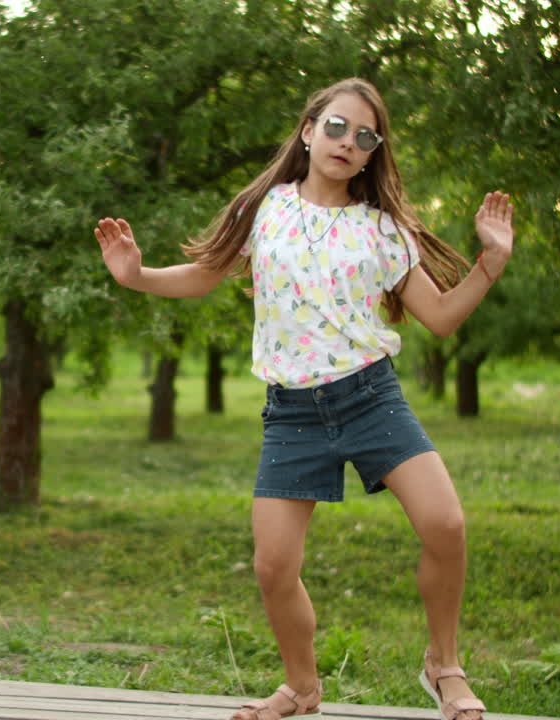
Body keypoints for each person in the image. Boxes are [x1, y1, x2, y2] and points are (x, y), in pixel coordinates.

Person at [93, 77, 511, 720]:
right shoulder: (264, 209)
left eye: (365, 136)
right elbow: (205, 274)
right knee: (272, 567)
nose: (348, 142)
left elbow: (443, 317)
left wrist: (489, 264)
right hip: (292, 411)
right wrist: (136, 276)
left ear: (373, 154)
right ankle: (303, 688)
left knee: (446, 525)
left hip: (372, 399)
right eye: (337, 127)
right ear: (309, 129)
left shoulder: (385, 229)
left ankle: (443, 665)